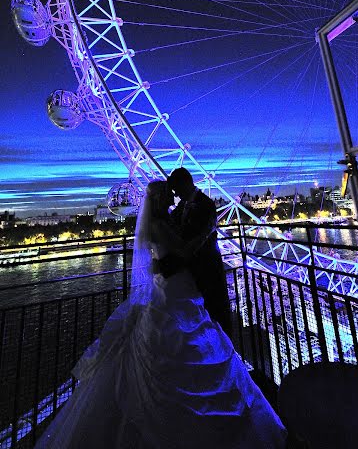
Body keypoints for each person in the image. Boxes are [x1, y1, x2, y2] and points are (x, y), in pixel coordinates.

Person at [35, 180, 287, 449]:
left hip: (176, 287)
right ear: (159, 199)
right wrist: (207, 234)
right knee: (185, 344)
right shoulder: (158, 224)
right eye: (169, 193)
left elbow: (167, 254)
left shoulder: (167, 218)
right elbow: (182, 251)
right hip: (174, 290)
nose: (173, 196)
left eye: (173, 192)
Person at [157, 167, 232, 338]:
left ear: (185, 183)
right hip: (190, 272)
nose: (175, 195)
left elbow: (193, 243)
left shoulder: (206, 205)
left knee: (214, 314)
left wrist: (166, 265)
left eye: (176, 189)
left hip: (207, 269)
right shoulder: (183, 205)